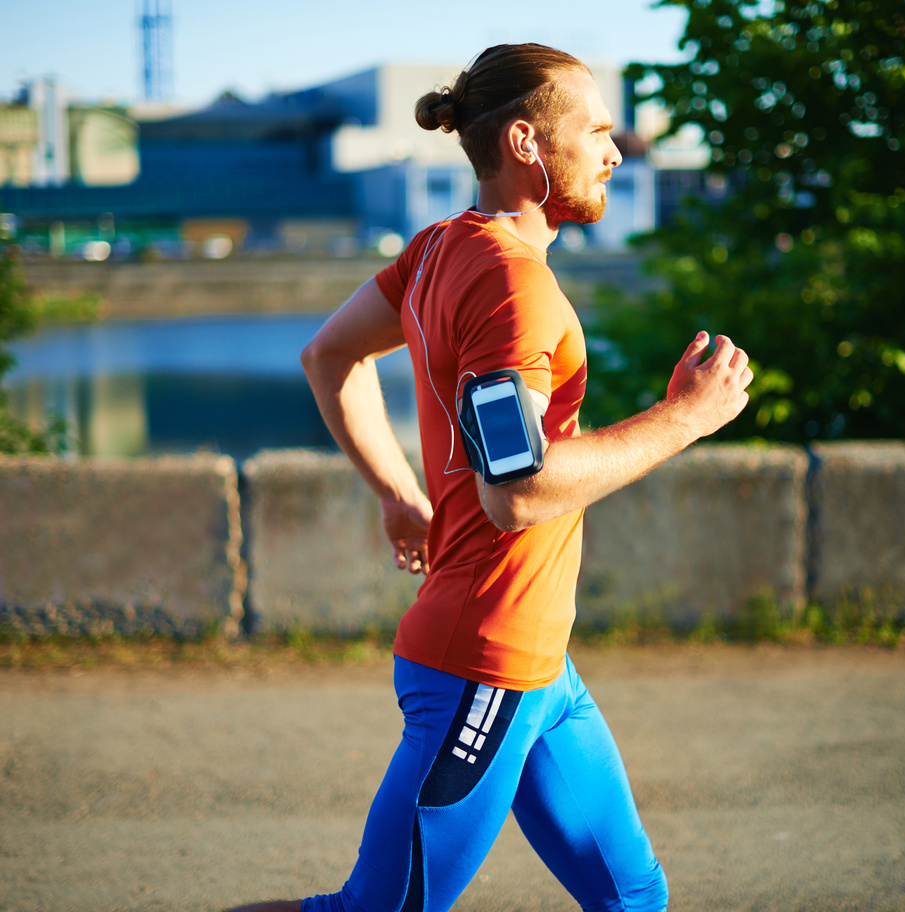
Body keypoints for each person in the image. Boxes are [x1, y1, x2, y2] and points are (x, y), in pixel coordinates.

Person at [226, 43, 752, 912]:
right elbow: (517, 492)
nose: (616, 152)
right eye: (597, 130)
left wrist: (401, 496)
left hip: (541, 668)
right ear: (526, 144)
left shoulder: (437, 249)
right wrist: (684, 419)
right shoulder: (515, 290)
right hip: (486, 668)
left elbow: (330, 357)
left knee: (635, 902)